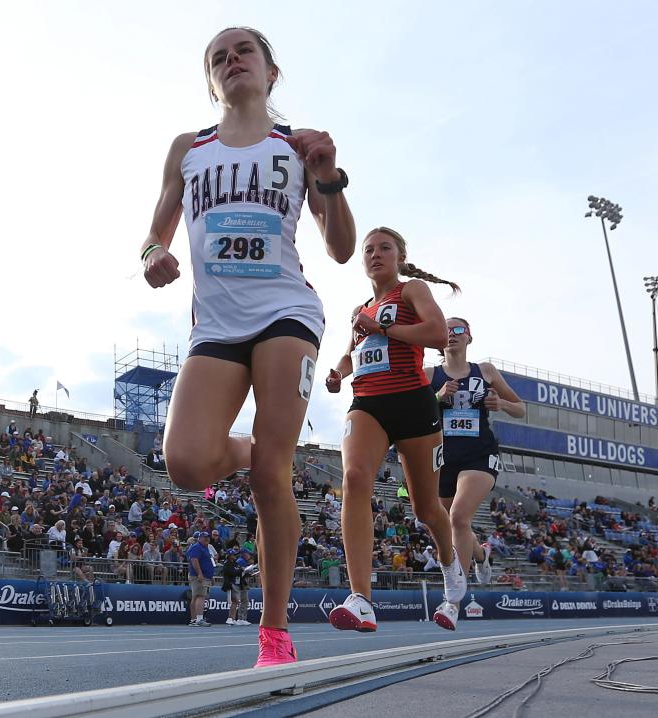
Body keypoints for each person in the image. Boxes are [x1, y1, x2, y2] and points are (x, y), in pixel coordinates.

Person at [140, 26, 355, 667]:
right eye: (219, 58)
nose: (232, 61)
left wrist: (329, 177)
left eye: (244, 52)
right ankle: (241, 448)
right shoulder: (188, 149)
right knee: (185, 464)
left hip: (286, 313)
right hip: (216, 328)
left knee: (272, 473)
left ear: (270, 71)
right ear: (213, 81)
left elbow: (341, 248)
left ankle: (273, 632)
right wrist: (155, 254)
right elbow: (154, 233)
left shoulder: (300, 145)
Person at [325, 227, 467, 633]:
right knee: (353, 478)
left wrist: (382, 328)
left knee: (426, 510)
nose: (375, 254)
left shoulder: (411, 291)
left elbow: (438, 334)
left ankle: (449, 563)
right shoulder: (360, 310)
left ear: (400, 256)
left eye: (384, 248)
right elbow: (355, 351)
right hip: (367, 403)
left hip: (413, 403)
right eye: (368, 249)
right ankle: (361, 599)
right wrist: (337, 371)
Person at [427, 317, 524, 584]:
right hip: (444, 457)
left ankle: (455, 594)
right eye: (445, 329)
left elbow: (521, 408)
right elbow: (413, 413)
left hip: (479, 454)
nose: (452, 334)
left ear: (469, 337)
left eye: (459, 329)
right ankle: (481, 555)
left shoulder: (485, 371)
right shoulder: (429, 375)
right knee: (450, 523)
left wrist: (500, 403)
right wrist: (436, 397)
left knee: (459, 516)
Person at [186, 532, 216, 626]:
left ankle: (194, 619)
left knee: (196, 596)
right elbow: (194, 560)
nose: (207, 539)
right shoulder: (197, 547)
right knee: (200, 596)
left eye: (207, 537)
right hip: (198, 576)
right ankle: (199, 619)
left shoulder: (205, 548)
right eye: (204, 537)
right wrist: (199, 574)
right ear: (199, 538)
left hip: (204, 576)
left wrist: (211, 576)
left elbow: (209, 562)